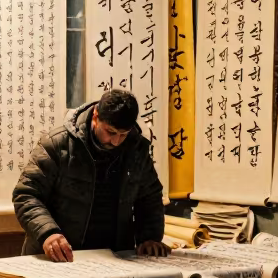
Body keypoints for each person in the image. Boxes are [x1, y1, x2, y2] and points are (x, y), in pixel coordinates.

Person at [12, 89, 169, 262]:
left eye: (123, 134)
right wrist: (48, 232)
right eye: (110, 132)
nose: (116, 141)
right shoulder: (57, 144)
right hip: (61, 255)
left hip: (116, 256)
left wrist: (149, 236)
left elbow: (149, 195)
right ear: (96, 116)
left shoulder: (136, 149)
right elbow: (26, 194)